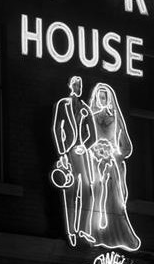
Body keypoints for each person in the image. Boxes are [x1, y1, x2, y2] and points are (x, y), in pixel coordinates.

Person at [88, 83, 141, 251]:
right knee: (96, 197)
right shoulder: (91, 118)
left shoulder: (116, 119)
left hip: (111, 166)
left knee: (114, 201)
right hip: (95, 164)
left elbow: (127, 147)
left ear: (109, 99)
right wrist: (94, 152)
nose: (102, 99)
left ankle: (118, 236)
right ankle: (96, 234)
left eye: (105, 97)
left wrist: (116, 154)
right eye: (99, 96)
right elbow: (85, 140)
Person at [51, 76, 97, 246]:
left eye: (80, 85)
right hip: (68, 152)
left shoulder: (85, 108)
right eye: (76, 85)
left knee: (87, 190)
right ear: (70, 85)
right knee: (69, 191)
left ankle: (83, 230)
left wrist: (85, 146)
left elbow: (93, 135)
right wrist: (62, 152)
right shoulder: (63, 104)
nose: (78, 87)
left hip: (82, 153)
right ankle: (71, 231)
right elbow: (57, 128)